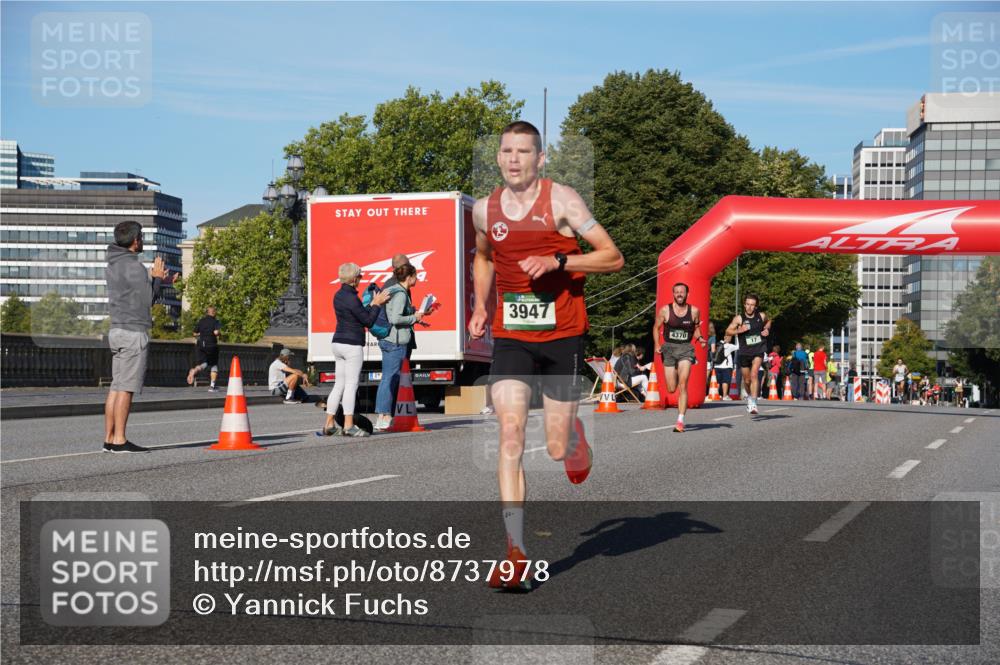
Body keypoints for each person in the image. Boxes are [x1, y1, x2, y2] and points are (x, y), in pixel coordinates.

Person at [467, 120, 623, 590]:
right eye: (506, 151)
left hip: (562, 335)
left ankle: (573, 438)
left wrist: (560, 261)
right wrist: (480, 305)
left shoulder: (563, 200)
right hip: (512, 335)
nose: (514, 159)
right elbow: (484, 257)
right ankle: (515, 551)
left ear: (540, 158)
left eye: (523, 152)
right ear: (498, 157)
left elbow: (613, 257)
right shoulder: (483, 210)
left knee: (555, 449)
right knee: (510, 433)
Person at [104, 220, 169, 453]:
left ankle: (109, 438)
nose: (141, 241)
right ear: (134, 241)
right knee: (126, 388)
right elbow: (147, 301)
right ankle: (120, 439)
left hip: (117, 328)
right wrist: (158, 278)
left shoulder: (113, 264)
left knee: (116, 386)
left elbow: (132, 293)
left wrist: (154, 280)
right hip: (133, 332)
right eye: (140, 237)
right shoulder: (134, 267)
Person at [319, 262, 391, 438]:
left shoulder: (339, 295)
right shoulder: (352, 298)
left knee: (339, 385)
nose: (361, 279)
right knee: (351, 386)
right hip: (352, 345)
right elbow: (367, 321)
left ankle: (328, 424)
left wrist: (371, 305)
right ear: (353, 279)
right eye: (359, 276)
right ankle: (349, 425)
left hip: (338, 342)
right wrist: (377, 304)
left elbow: (357, 315)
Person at [374, 263, 425, 431]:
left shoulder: (395, 290)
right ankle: (383, 415)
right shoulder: (401, 294)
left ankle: (383, 415)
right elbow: (396, 318)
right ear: (409, 277)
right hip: (395, 342)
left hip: (390, 340)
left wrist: (415, 316)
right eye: (415, 276)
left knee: (389, 377)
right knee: (389, 378)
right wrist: (414, 318)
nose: (416, 279)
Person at [654, 282, 708, 432]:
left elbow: (696, 327)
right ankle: (677, 370)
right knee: (671, 389)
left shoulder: (694, 311)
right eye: (676, 292)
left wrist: (701, 338)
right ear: (673, 294)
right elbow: (656, 327)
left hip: (686, 348)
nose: (679, 294)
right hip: (669, 349)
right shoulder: (665, 310)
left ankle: (680, 420)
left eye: (682, 292)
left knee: (683, 384)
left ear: (687, 294)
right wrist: (657, 344)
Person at [725, 294, 771, 415]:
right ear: (744, 305)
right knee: (746, 380)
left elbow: (769, 321)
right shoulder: (739, 319)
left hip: (759, 349)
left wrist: (767, 329)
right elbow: (728, 331)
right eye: (748, 304)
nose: (750, 307)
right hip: (744, 352)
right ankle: (750, 397)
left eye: (752, 305)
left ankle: (754, 403)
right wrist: (738, 330)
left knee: (754, 374)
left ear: (756, 306)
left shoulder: (761, 316)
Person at [186, 306, 222, 391]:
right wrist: (219, 334)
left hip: (201, 345)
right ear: (213, 312)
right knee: (213, 365)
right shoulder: (216, 321)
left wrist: (202, 334)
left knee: (204, 363)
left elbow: (194, 333)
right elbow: (216, 332)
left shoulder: (201, 321)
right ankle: (212, 386)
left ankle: (194, 370)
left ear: (207, 313)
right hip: (211, 345)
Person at [714, 334, 738, 401]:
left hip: (717, 365)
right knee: (725, 381)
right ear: (728, 338)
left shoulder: (718, 344)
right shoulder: (729, 346)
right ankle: (724, 396)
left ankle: (716, 395)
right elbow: (738, 347)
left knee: (718, 381)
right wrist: (737, 337)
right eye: (730, 337)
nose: (730, 338)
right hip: (726, 366)